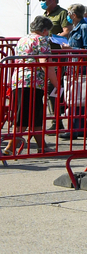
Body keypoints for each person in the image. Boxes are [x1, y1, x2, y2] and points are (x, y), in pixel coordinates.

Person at [3, 17, 54, 156]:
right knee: (25, 115)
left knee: (34, 114)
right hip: (33, 81)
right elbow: (45, 62)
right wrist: (56, 83)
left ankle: (42, 146)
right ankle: (10, 147)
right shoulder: (41, 40)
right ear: (44, 30)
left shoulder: (23, 39)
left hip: (19, 79)